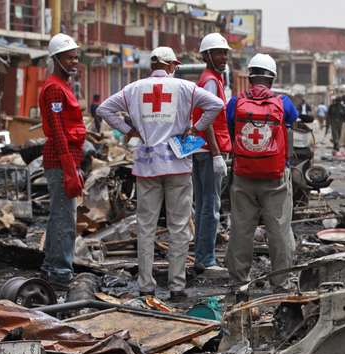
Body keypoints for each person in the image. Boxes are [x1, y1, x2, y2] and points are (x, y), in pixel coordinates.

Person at [97, 46, 224, 299]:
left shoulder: (133, 89)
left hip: (146, 166)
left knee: (146, 226)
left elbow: (103, 110)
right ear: (170, 66)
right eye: (174, 65)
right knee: (179, 227)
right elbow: (217, 104)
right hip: (177, 164)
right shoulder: (184, 88)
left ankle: (146, 286)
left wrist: (128, 130)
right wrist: (196, 128)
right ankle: (177, 286)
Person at [225, 53, 298, 291]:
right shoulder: (284, 103)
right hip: (275, 176)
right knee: (279, 229)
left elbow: (230, 127)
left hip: (243, 175)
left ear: (250, 77)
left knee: (241, 228)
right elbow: (291, 125)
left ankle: (239, 282)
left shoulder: (235, 102)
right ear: (272, 79)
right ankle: (281, 281)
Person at [39, 33, 86, 290]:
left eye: (76, 57)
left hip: (64, 160)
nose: (74, 61)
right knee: (64, 218)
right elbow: (57, 131)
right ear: (56, 59)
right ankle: (59, 272)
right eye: (69, 58)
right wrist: (69, 168)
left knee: (59, 214)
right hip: (60, 160)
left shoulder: (62, 86)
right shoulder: (55, 88)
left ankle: (52, 266)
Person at [191, 33, 231, 274]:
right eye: (218, 53)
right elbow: (208, 119)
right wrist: (216, 154)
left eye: (225, 53)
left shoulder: (211, 78)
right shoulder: (211, 81)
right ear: (207, 56)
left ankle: (202, 257)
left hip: (202, 148)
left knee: (204, 204)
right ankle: (206, 259)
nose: (224, 57)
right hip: (208, 150)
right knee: (210, 205)